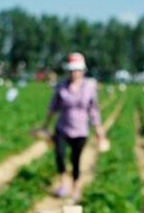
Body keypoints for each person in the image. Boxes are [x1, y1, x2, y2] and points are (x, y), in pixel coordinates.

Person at [42, 52, 104, 200]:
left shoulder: (89, 87)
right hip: (62, 128)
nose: (74, 73)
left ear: (83, 71)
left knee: (75, 160)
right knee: (60, 156)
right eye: (71, 70)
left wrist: (99, 130)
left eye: (77, 70)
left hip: (81, 130)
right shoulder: (61, 86)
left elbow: (93, 110)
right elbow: (53, 107)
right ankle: (63, 184)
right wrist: (45, 125)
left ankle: (76, 188)